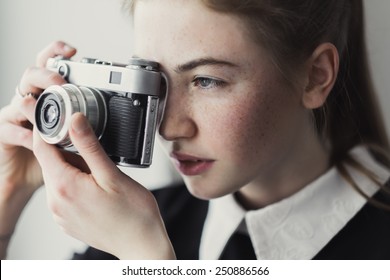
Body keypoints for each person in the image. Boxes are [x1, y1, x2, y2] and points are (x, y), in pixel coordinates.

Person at [1, 0, 390, 260]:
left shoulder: (133, 238)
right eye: (153, 81)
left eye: (206, 81)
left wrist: (148, 262)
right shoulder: (131, 222)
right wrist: (7, 202)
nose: (167, 127)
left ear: (315, 77)